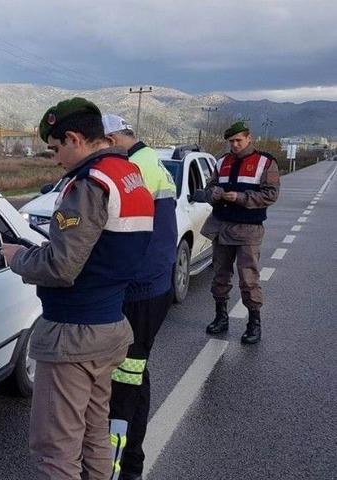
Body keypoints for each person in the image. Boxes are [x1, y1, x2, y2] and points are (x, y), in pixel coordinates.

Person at [0, 98, 154, 480]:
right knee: (94, 433)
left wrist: (18, 257)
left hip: (74, 334)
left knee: (56, 450)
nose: (55, 160)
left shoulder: (89, 184)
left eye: (55, 149)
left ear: (74, 138)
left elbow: (62, 266)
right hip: (110, 325)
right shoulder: (129, 175)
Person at [103, 114, 178, 480]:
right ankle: (131, 463)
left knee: (125, 382)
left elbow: (119, 232)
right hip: (154, 284)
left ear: (112, 139)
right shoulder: (150, 161)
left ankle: (120, 467)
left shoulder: (133, 168)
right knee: (135, 372)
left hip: (139, 288)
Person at [193, 121, 280, 344]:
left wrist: (240, 198)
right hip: (222, 226)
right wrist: (214, 194)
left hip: (248, 229)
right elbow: (209, 188)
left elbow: (271, 195)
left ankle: (254, 323)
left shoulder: (265, 162)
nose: (234, 145)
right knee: (220, 275)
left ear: (249, 138)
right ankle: (221, 317)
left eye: (238, 140)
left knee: (248, 279)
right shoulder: (222, 161)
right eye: (231, 141)